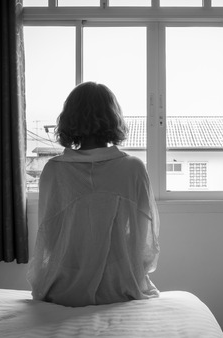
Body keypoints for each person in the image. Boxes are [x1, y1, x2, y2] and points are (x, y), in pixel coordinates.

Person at [27, 82, 160, 307]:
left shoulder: (54, 170)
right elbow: (143, 241)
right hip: (120, 284)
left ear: (69, 119)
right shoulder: (134, 168)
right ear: (113, 118)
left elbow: (48, 238)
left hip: (63, 287)